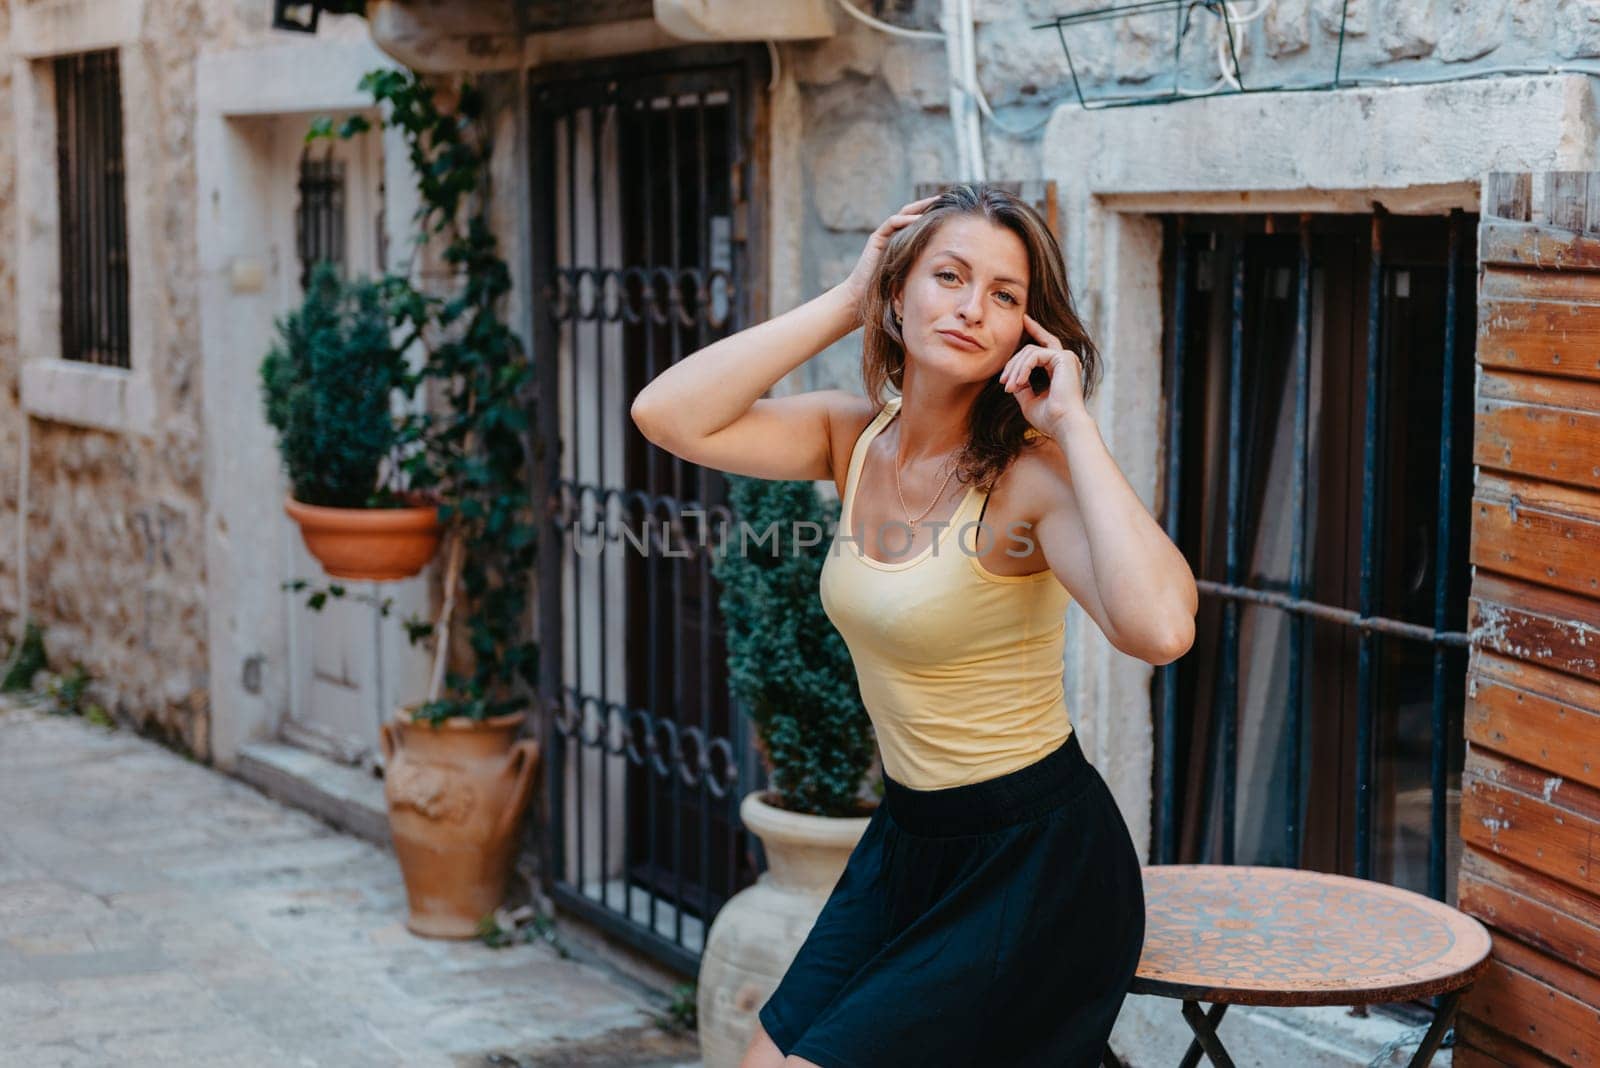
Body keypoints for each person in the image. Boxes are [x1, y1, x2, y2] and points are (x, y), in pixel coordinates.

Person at [630, 183, 1198, 1068]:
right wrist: (846, 300)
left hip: (1036, 859)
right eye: (949, 276)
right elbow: (666, 414)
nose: (974, 308)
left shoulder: (1029, 481)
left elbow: (1161, 630)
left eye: (1005, 295)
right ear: (900, 295)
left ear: (1027, 332)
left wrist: (1074, 427)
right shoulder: (851, 437)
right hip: (910, 839)